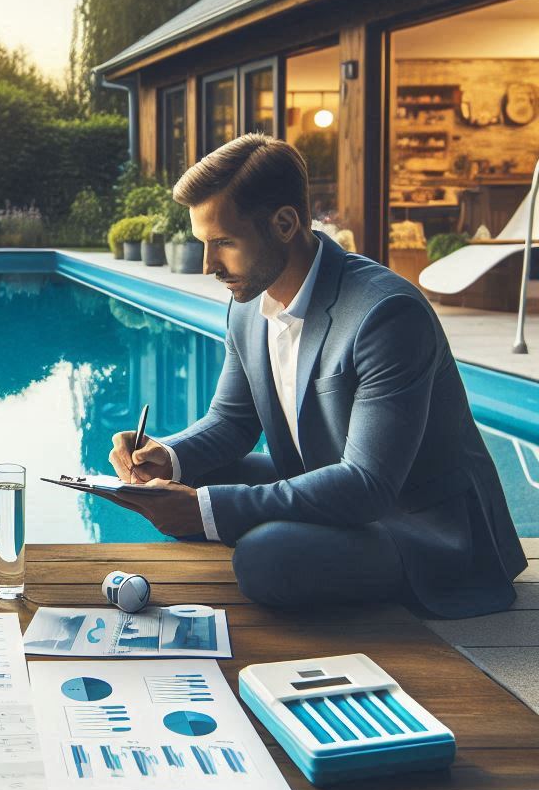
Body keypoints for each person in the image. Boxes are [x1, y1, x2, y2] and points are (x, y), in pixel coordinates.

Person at [107, 133, 525, 618]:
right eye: (204, 243)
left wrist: (206, 509)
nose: (208, 266)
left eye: (224, 242)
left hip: (419, 522)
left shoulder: (386, 315)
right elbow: (231, 420)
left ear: (285, 223)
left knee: (267, 556)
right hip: (327, 480)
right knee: (187, 479)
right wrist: (167, 454)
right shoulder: (249, 306)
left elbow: (368, 483)